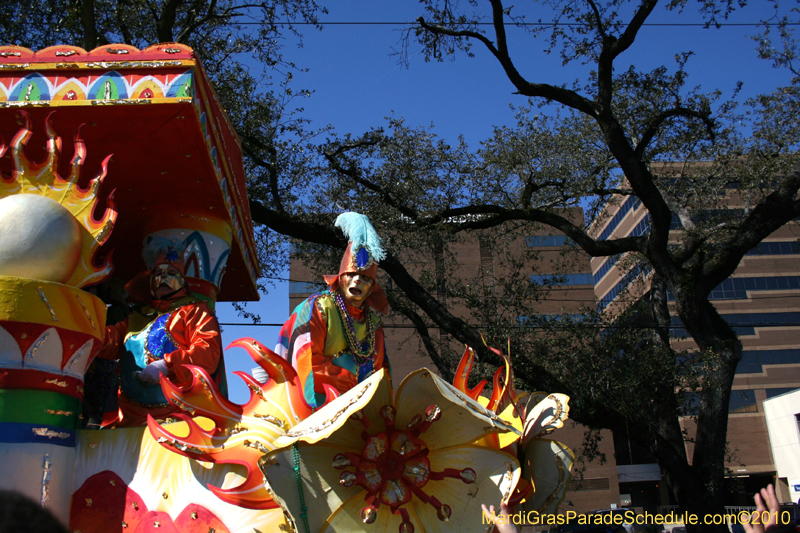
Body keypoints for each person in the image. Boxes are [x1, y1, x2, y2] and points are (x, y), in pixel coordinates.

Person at [97, 237, 224, 427]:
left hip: (178, 419)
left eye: (171, 272)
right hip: (129, 419)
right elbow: (105, 340)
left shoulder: (195, 311)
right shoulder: (136, 318)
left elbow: (207, 354)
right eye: (158, 273)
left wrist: (167, 365)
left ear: (182, 280)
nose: (163, 277)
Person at [276, 213, 390, 409]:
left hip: (364, 418)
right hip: (321, 411)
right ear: (341, 277)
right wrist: (349, 385)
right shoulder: (318, 307)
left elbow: (382, 376)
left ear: (372, 288)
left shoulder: (374, 326)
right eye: (352, 275)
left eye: (365, 278)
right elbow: (305, 361)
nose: (357, 281)